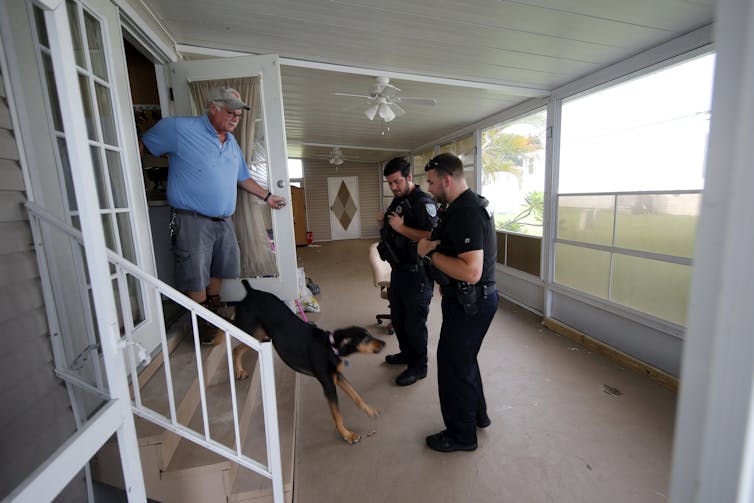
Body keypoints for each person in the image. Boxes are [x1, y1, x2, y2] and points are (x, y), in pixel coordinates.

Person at [141, 86, 286, 342]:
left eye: (238, 116)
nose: (235, 119)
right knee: (195, 273)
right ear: (213, 107)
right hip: (192, 219)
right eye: (230, 112)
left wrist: (267, 196)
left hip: (223, 221)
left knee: (219, 269)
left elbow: (243, 178)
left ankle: (213, 311)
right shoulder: (178, 128)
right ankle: (202, 325)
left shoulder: (231, 144)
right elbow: (141, 147)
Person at [417, 152, 498, 452]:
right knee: (464, 361)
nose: (430, 187)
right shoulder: (461, 206)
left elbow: (471, 271)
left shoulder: (466, 211)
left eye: (432, 182)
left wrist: (429, 253)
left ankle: (461, 435)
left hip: (472, 304)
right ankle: (477, 415)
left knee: (453, 367)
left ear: (447, 180)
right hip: (469, 301)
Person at [377, 157, 438, 386]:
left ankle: (419, 366)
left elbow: (432, 237)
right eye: (389, 183)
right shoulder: (398, 200)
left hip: (417, 273)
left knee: (414, 324)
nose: (393, 187)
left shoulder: (423, 202)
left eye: (397, 182)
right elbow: (393, 229)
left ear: (409, 177)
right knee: (399, 319)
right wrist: (386, 223)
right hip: (399, 271)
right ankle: (406, 354)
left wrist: (401, 228)